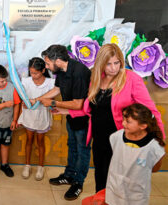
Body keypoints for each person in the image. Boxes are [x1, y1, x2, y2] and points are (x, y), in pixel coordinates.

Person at [59, 44, 165, 193]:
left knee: (118, 183)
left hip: (121, 140)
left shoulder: (131, 79)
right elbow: (92, 111)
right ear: (101, 64)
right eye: (108, 64)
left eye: (117, 63)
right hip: (99, 140)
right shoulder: (96, 79)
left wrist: (160, 140)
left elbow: (151, 111)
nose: (113, 68)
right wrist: (68, 111)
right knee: (101, 179)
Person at [38, 45, 91, 200]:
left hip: (84, 119)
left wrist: (53, 104)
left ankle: (78, 183)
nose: (46, 67)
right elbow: (57, 90)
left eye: (48, 63)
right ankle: (68, 175)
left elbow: (78, 104)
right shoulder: (61, 71)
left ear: (58, 60)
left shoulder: (80, 72)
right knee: (72, 147)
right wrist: (39, 99)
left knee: (83, 151)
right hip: (71, 117)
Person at [105, 104, 165, 205]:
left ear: (143, 126)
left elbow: (154, 169)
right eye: (123, 119)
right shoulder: (116, 137)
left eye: (128, 121)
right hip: (114, 191)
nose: (123, 123)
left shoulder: (154, 147)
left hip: (136, 197)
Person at [17, 57, 55, 180]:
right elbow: (22, 97)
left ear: (43, 70)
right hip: (29, 116)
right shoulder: (26, 81)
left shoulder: (50, 83)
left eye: (36, 73)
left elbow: (51, 100)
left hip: (42, 116)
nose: (33, 75)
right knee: (29, 140)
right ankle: (27, 165)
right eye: (31, 72)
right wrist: (24, 103)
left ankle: (40, 166)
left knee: (40, 142)